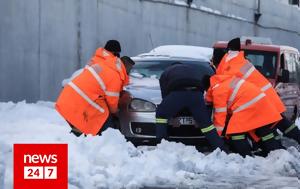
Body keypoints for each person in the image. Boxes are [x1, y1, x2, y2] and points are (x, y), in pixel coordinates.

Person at [208, 37, 300, 145]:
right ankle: (274, 150)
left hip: (261, 101)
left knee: (268, 128)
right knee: (278, 124)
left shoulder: (230, 71)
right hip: (266, 97)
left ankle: (275, 150)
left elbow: (231, 92)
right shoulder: (238, 62)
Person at [55, 40, 135, 136]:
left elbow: (90, 78)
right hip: (84, 99)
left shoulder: (99, 61)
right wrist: (116, 112)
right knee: (104, 118)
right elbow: (112, 102)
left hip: (71, 96)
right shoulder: (115, 74)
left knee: (82, 123)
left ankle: (78, 139)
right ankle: (100, 142)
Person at [203, 74, 285, 157]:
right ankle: (276, 152)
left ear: (207, 87)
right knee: (261, 131)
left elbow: (220, 115)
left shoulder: (218, 90)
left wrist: (216, 135)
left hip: (249, 105)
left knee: (235, 132)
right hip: (259, 101)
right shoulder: (224, 81)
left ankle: (246, 156)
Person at [155, 63, 228, 152]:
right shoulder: (193, 70)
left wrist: (173, 110)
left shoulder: (166, 72)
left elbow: (165, 93)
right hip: (196, 93)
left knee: (161, 114)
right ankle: (221, 149)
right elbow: (202, 87)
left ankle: (162, 144)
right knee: (206, 125)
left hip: (178, 93)